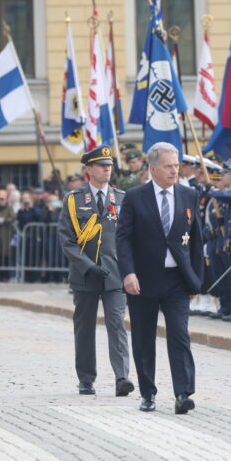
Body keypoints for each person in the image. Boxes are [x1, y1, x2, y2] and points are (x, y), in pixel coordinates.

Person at [117, 142, 204, 415]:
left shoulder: (189, 195)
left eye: (176, 165)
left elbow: (196, 240)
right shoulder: (135, 197)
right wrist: (128, 273)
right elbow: (123, 239)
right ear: (153, 168)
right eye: (168, 166)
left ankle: (183, 393)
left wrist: (195, 280)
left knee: (180, 335)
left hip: (177, 279)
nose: (174, 171)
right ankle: (148, 393)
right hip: (143, 280)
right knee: (144, 339)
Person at [57, 147, 133, 397]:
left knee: (117, 324)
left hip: (114, 275)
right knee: (85, 328)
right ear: (88, 169)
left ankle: (122, 377)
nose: (107, 169)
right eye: (101, 165)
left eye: (109, 165)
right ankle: (86, 379)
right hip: (85, 274)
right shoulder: (74, 200)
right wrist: (87, 266)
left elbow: (130, 238)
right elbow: (67, 239)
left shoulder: (121, 199)